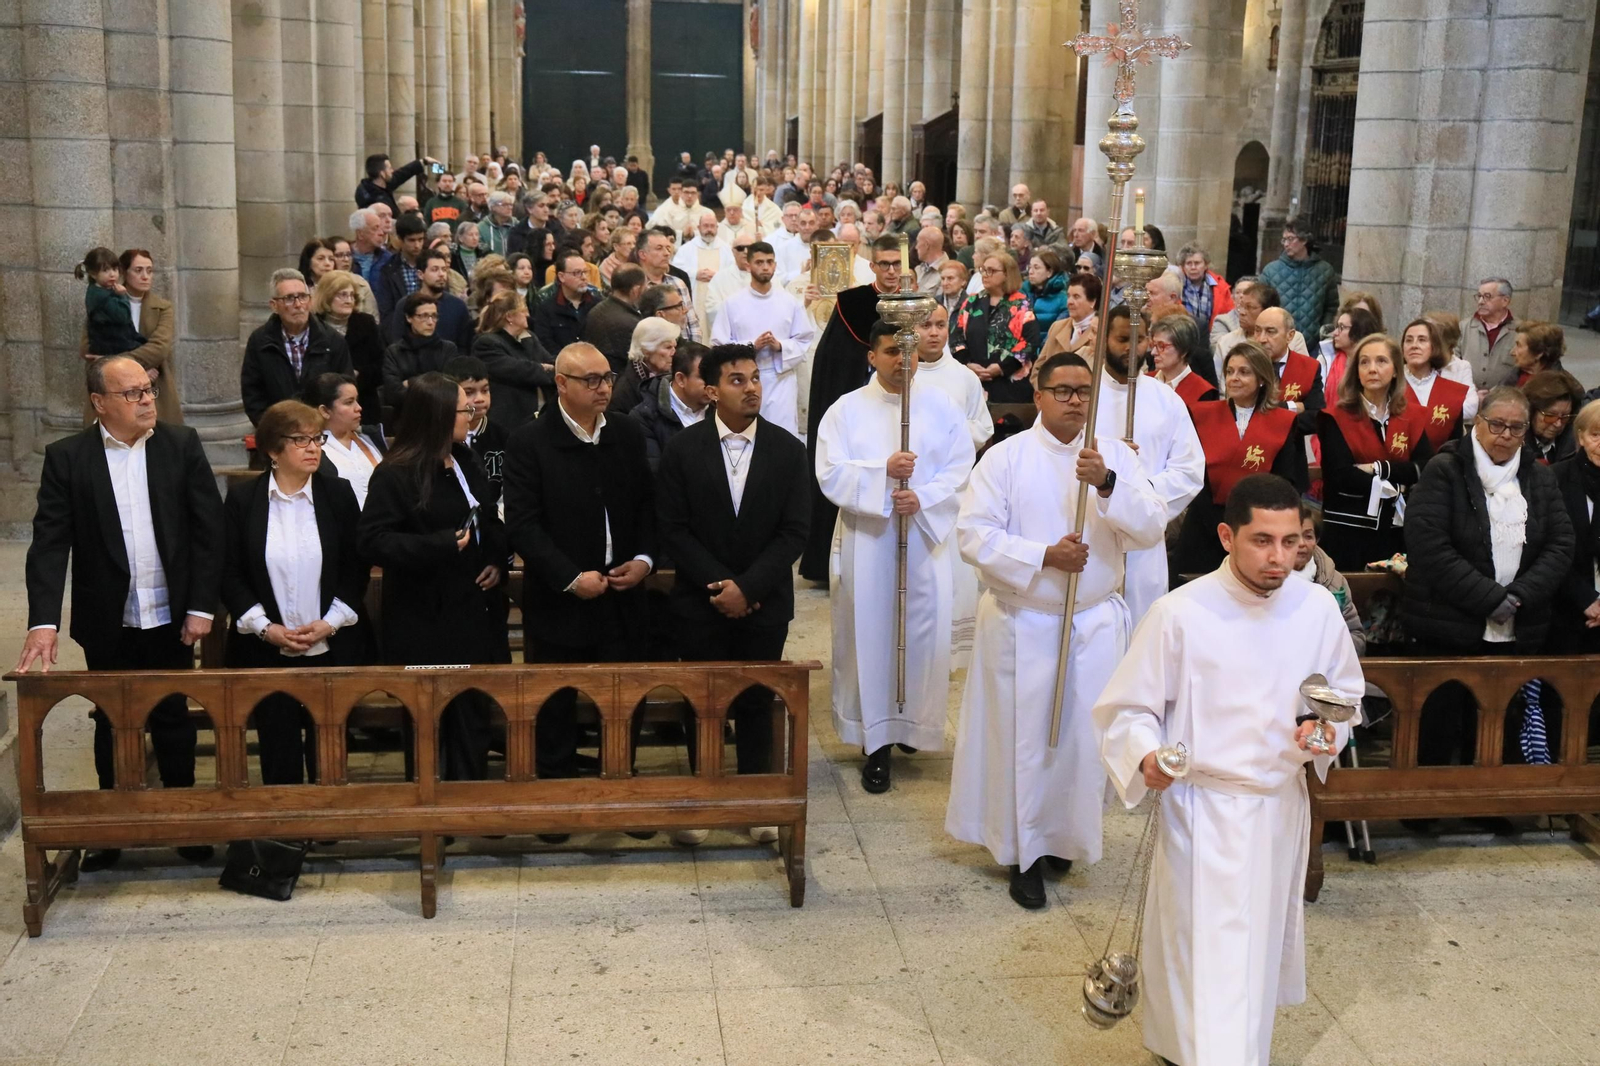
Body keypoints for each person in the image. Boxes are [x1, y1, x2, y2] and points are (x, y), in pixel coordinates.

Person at [1092, 473, 1366, 1066]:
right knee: (1202, 949)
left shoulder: (1316, 608)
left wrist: (1323, 732)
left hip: (1276, 805)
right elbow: (1128, 707)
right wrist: (1145, 754)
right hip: (1202, 809)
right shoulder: (1180, 612)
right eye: (1262, 541)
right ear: (1225, 535)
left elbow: (1345, 695)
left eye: (1292, 542)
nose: (1279, 557)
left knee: (1251, 954)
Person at [948, 351, 1165, 908]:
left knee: (1078, 745)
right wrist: (1043, 555)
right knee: (1024, 745)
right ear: (1038, 396)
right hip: (1026, 621)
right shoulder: (1005, 459)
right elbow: (973, 536)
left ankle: (1064, 838)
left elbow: (1150, 527)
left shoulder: (1113, 456)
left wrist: (1110, 483)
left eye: (1084, 391)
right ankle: (1023, 852)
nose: (1075, 400)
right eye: (1063, 390)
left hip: (1092, 623)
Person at [18, 355, 224, 871]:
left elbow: (209, 533)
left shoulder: (180, 445)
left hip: (173, 612)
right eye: (132, 393)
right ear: (99, 402)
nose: (147, 399)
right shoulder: (68, 458)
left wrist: (201, 605)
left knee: (174, 717)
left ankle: (185, 822)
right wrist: (42, 621)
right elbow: (49, 543)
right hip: (108, 615)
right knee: (112, 721)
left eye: (148, 389)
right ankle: (112, 828)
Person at [817, 322, 976, 792]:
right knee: (870, 637)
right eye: (890, 352)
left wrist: (923, 497)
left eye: (907, 353)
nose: (901, 361)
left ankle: (910, 726)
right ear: (872, 356)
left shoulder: (941, 405)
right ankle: (875, 743)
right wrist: (882, 476)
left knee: (922, 636)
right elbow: (829, 473)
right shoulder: (846, 410)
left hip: (923, 541)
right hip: (870, 540)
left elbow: (960, 465)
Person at [656, 343, 810, 818]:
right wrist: (722, 586)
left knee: (756, 700)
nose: (751, 388)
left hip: (765, 602)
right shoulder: (682, 449)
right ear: (711, 390)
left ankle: (755, 803)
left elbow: (795, 531)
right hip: (700, 602)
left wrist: (750, 587)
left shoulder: (787, 449)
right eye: (737, 380)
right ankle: (704, 799)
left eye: (755, 378)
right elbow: (673, 528)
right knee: (703, 703)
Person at [502, 343, 655, 780]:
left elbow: (646, 504)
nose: (603, 387)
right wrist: (570, 577)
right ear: (561, 384)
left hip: (623, 593)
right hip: (560, 598)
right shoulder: (529, 441)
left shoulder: (625, 432)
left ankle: (620, 788)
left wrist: (644, 559)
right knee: (555, 702)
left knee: (624, 700)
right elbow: (523, 525)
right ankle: (556, 794)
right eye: (591, 380)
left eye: (607, 377)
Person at [1403, 386, 1574, 769]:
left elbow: (1561, 544)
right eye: (1497, 425)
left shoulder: (1540, 479)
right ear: (1476, 424)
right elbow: (1429, 545)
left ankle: (1491, 805)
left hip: (1517, 624)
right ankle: (1427, 807)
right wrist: (1489, 599)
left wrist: (1519, 597)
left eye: (1516, 428)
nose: (1506, 436)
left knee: (1499, 721)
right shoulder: (1444, 470)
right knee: (1441, 720)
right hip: (1448, 623)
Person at [358, 371, 509, 780]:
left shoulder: (463, 458)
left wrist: (496, 559)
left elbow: (484, 516)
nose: (473, 412)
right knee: (429, 720)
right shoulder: (395, 473)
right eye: (465, 407)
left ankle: (470, 799)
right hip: (425, 618)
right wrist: (439, 545)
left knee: (472, 711)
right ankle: (432, 809)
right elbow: (373, 541)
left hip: (471, 610)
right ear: (439, 415)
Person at [222, 400, 366, 785]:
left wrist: (330, 623)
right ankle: (286, 826)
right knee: (278, 741)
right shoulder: (243, 500)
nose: (313, 448)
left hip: (330, 644)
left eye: (316, 438)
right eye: (300, 440)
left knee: (330, 740)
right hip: (266, 647)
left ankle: (328, 818)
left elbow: (356, 568)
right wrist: (265, 627)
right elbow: (230, 573)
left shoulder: (337, 495)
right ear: (272, 449)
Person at [1092, 305, 1205, 623]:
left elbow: (1190, 470)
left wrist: (1137, 494)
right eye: (1121, 338)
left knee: (1140, 633)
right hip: (1091, 531)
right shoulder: (1081, 397)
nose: (1131, 347)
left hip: (1143, 542)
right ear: (1103, 339)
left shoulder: (1166, 400)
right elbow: (1055, 457)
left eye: (1139, 339)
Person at [802, 235, 905, 581]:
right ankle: (829, 562)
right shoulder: (852, 304)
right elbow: (835, 361)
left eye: (897, 263)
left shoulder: (913, 304)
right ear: (872, 266)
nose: (892, 271)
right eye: (885, 264)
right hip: (861, 409)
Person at [1175, 342, 1307, 579]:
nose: (1234, 378)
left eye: (1244, 372)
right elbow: (1194, 474)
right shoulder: (1202, 415)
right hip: (1204, 528)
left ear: (1262, 379)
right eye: (1230, 371)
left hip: (1258, 529)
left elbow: (1287, 481)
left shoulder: (1283, 422)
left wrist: (1250, 526)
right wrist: (1222, 527)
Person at [1317, 333, 1433, 569]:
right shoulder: (1335, 417)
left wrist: (1378, 468)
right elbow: (1341, 475)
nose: (1372, 369)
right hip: (1349, 529)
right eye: (1364, 362)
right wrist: (1398, 482)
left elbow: (1425, 468)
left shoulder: (1413, 415)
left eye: (1381, 361)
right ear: (1356, 372)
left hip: (1398, 529)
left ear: (1396, 370)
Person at [710, 241, 816, 436]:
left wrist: (780, 346)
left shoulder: (790, 302)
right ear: (748, 265)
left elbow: (804, 340)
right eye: (759, 262)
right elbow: (718, 345)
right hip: (741, 382)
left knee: (782, 437)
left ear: (775, 265)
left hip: (781, 380)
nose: (765, 267)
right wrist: (751, 346)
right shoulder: (732, 304)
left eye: (769, 262)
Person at [77, 249, 182, 426]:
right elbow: (86, 348)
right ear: (124, 272)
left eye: (149, 271)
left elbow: (159, 347)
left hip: (153, 390)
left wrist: (113, 361)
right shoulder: (103, 301)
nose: (145, 276)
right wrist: (136, 367)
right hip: (111, 393)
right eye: (138, 270)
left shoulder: (163, 308)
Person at [241, 269, 353, 426]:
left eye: (302, 297)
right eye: (289, 299)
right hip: (278, 434)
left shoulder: (332, 340)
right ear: (274, 305)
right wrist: (274, 431)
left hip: (324, 433)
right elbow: (253, 395)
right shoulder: (260, 342)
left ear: (310, 301)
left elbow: (344, 390)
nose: (298, 304)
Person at [951, 249, 1040, 403]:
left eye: (991, 271)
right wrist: (968, 363)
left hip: (1010, 386)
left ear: (1007, 274)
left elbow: (1030, 341)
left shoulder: (1021, 304)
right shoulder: (972, 302)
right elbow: (956, 336)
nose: (985, 275)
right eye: (983, 270)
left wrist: (1002, 368)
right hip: (973, 381)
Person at [1552, 399, 1600, 653]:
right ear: (1580, 438)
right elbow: (1547, 547)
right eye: (1596, 435)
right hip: (1565, 609)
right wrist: (1586, 599)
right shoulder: (1554, 479)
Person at [470, 289, 554, 431]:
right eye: (523, 310)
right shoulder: (486, 343)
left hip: (542, 416)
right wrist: (543, 368)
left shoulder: (529, 337)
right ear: (510, 316)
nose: (527, 314)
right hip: (511, 421)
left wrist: (551, 368)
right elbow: (522, 371)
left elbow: (552, 363)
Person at [312, 269, 386, 427]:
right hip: (322, 406)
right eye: (342, 295)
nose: (348, 300)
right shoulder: (314, 326)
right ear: (327, 296)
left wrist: (358, 374)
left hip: (363, 404)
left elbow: (380, 366)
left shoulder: (366, 323)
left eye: (351, 295)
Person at [1293, 505, 1367, 654]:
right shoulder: (1268, 581)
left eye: (1308, 536)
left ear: (1317, 540)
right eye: (1293, 537)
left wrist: (1326, 647)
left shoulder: (1335, 581)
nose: (1301, 543)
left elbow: (1357, 638)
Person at [305, 372, 385, 507]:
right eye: (349, 402)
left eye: (357, 400)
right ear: (325, 411)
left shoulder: (371, 438)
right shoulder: (312, 450)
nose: (359, 408)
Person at [630, 340, 710, 468]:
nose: (713, 385)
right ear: (681, 379)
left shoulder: (722, 409)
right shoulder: (645, 417)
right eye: (704, 377)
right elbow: (656, 474)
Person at [1401, 316, 1475, 450]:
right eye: (1408, 340)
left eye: (1422, 340)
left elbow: (1454, 442)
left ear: (1434, 347)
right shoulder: (1391, 385)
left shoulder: (1451, 391)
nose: (1414, 345)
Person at [444, 354, 508, 509]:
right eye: (469, 392)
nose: (480, 399)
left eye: (485, 390)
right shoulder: (445, 440)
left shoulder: (503, 437)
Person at [1259, 220, 1340, 336]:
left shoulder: (1325, 270)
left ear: (1304, 240)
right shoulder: (1271, 271)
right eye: (1284, 239)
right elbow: (1260, 304)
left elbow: (1331, 306)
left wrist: (1322, 332)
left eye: (1290, 239)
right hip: (1277, 339)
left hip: (1313, 342)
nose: (1286, 244)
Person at [1253, 306, 1324, 414]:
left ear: (1289, 336)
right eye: (1257, 331)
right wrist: (1290, 407)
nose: (1261, 339)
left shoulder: (1309, 367)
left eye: (1270, 331)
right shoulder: (1245, 364)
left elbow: (1315, 418)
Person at [77, 246, 143, 356]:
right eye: (105, 270)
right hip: (110, 343)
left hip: (115, 339)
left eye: (115, 269)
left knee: (144, 343)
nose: (112, 274)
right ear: (93, 274)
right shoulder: (101, 296)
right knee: (140, 350)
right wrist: (123, 296)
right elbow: (123, 316)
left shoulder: (102, 290)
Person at [534, 248, 600, 354]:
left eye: (585, 272)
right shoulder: (546, 308)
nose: (583, 277)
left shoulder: (598, 305)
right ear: (561, 276)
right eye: (577, 273)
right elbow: (545, 343)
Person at [1149, 312, 1220, 410]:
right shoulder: (1144, 381)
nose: (1153, 352)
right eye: (1153, 345)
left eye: (1161, 346)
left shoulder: (1203, 392)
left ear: (1183, 351)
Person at [1460, 277, 1518, 390]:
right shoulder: (1464, 327)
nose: (1481, 302)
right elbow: (1453, 363)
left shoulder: (1519, 330)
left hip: (1503, 398)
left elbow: (1521, 369)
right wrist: (1472, 390)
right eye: (1479, 296)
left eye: (1487, 296)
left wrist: (1494, 393)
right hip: (1467, 395)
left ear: (1505, 301)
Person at [613, 317, 680, 415]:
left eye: (675, 347)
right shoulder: (624, 390)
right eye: (668, 347)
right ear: (646, 350)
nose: (674, 353)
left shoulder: (670, 376)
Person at [1318, 306, 1382, 406]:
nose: (1335, 333)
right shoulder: (1326, 360)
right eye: (1336, 327)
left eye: (1341, 328)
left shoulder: (1376, 365)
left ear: (1359, 330)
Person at [373, 213, 431, 322]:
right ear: (400, 239)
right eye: (411, 240)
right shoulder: (389, 269)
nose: (417, 245)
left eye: (420, 239)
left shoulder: (431, 264)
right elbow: (386, 309)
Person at [1524, 369, 1583, 465]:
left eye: (1565, 416)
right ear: (1531, 412)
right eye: (1550, 416)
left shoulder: (1576, 446)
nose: (1558, 424)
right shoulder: (1515, 446)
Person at [1037, 271, 1099, 360]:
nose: (1069, 302)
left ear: (1093, 301)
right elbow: (1039, 366)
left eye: (1076, 297)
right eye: (1068, 296)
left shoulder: (1099, 331)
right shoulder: (1057, 326)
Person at [1176, 243, 1234, 333]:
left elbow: (1229, 316)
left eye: (1197, 263)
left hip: (1211, 337)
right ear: (1183, 266)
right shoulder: (1176, 285)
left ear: (1206, 265)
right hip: (1182, 335)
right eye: (1188, 263)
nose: (1193, 267)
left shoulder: (1221, 287)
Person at [355, 152, 436, 215]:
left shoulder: (382, 185)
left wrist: (423, 161)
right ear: (382, 174)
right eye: (389, 168)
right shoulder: (371, 197)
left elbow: (403, 173)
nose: (392, 171)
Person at [1021, 249, 1068, 334]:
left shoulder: (1063, 299)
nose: (1030, 272)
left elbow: (1056, 333)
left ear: (1049, 272)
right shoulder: (1023, 293)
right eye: (1030, 267)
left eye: (1036, 268)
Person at [1512, 320, 1566, 385]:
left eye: (1519, 346)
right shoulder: (1512, 378)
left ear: (1538, 354)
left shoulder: (1559, 388)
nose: (1512, 352)